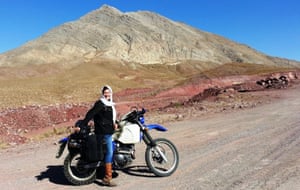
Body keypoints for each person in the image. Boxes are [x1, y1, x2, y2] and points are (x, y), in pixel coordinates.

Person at [78, 85, 117, 187]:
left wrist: (115, 123)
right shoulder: (100, 103)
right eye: (105, 92)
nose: (107, 94)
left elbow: (110, 118)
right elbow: (90, 114)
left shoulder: (110, 104)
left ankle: (105, 170)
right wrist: (82, 124)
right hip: (103, 132)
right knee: (110, 152)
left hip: (109, 130)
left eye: (108, 92)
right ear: (102, 93)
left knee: (111, 148)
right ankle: (107, 178)